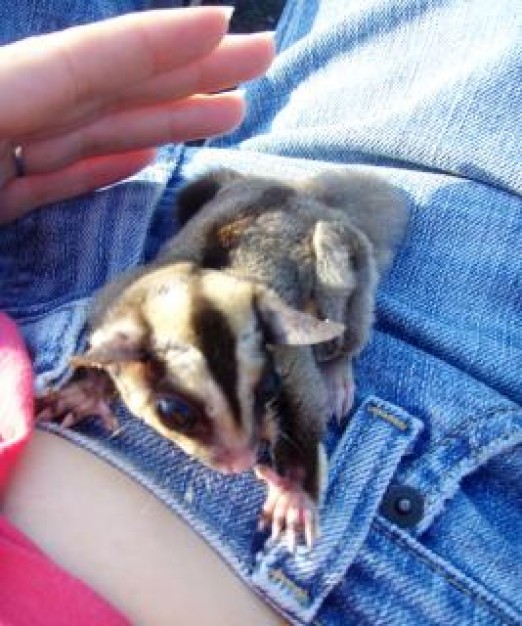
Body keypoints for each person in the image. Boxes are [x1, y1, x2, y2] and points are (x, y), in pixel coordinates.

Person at [1, 1, 521, 625]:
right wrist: (299, 482)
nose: (242, 461)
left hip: (38, 222)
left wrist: (337, 352)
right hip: (421, 385)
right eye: (180, 413)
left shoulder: (237, 336)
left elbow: (295, 381)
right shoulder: (137, 324)